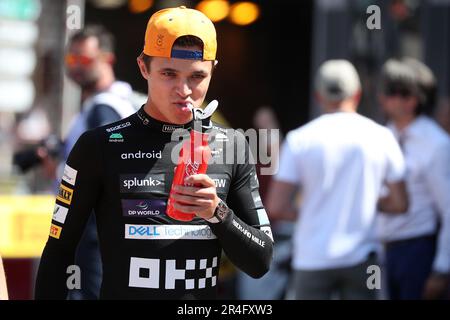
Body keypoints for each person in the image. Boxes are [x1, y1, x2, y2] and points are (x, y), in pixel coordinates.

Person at [35, 6, 273, 299]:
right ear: (143, 67)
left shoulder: (233, 145)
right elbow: (59, 250)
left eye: (197, 76)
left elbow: (261, 261)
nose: (183, 89)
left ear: (213, 70)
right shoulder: (99, 145)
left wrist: (218, 213)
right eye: (169, 74)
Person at [267, 59, 408, 300]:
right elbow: (399, 203)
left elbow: (276, 207)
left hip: (311, 258)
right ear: (358, 94)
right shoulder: (382, 136)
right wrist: (363, 204)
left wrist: (313, 211)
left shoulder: (300, 139)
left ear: (318, 96)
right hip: (364, 258)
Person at [60, 25, 139, 299]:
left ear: (108, 59)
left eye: (85, 59)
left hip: (94, 229)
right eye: (72, 59)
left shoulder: (105, 107)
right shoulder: (107, 104)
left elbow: (105, 168)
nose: (77, 67)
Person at [376, 59, 450, 300]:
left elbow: (449, 208)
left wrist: (441, 268)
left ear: (411, 99)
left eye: (391, 92)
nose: (383, 98)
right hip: (381, 251)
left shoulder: (436, 144)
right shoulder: (383, 136)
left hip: (416, 250)